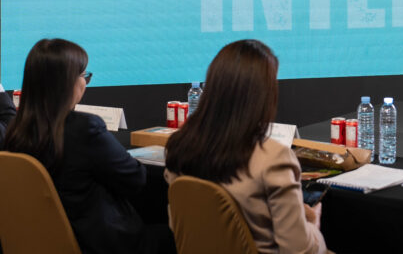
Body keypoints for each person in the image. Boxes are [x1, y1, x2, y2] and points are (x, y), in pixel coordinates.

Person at [3, 39, 173, 254]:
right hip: (101, 243)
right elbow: (136, 178)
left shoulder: (15, 131)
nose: (85, 83)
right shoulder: (84, 129)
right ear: (67, 83)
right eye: (84, 76)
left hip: (44, 242)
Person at [164, 40, 329, 254]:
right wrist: (313, 227)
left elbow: (179, 225)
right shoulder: (274, 158)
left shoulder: (179, 147)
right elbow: (298, 250)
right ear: (264, 96)